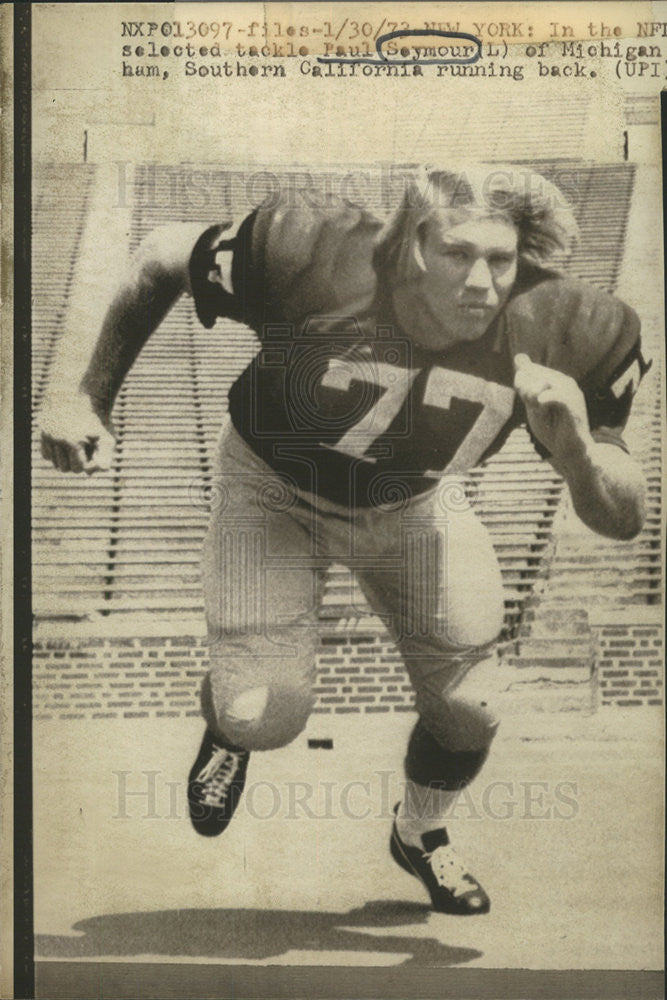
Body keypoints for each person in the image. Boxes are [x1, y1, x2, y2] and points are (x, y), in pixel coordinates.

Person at [40, 165, 649, 916]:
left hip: (416, 503)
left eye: (500, 258)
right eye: (457, 253)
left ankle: (420, 833)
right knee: (262, 712)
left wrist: (579, 452)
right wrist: (84, 396)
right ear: (411, 246)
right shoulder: (315, 251)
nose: (481, 282)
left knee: (474, 707)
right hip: (273, 488)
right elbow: (163, 254)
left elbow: (623, 520)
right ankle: (227, 728)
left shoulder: (574, 326)